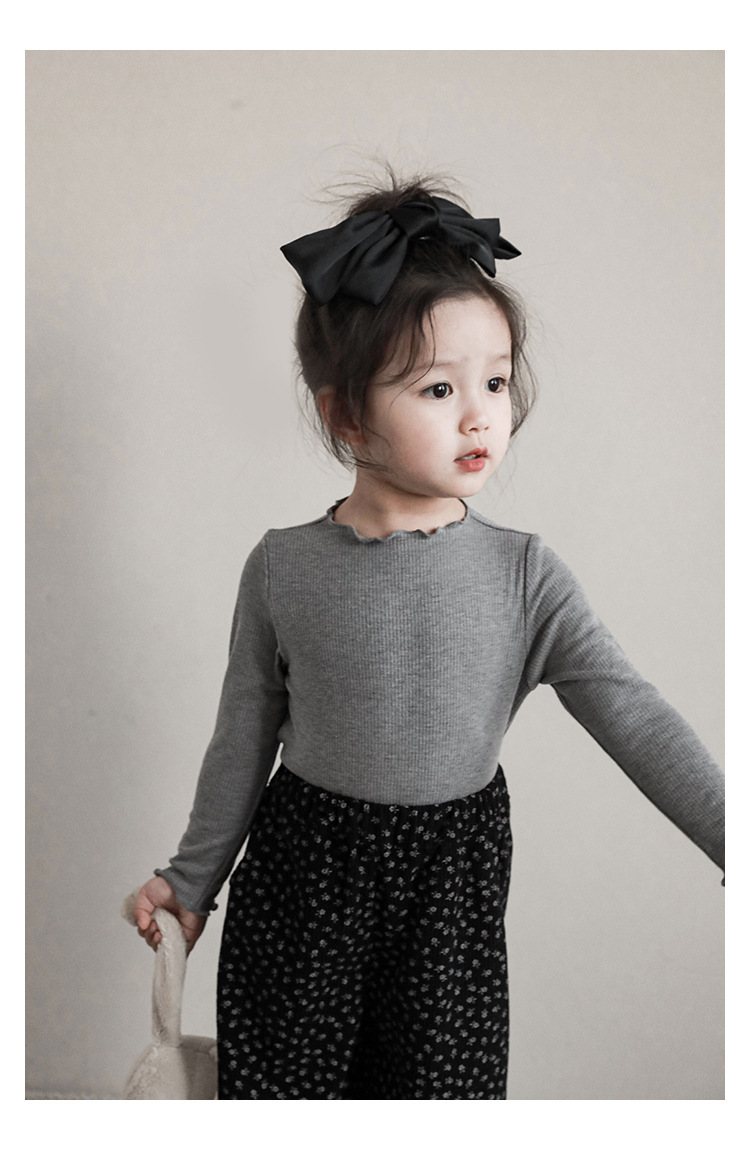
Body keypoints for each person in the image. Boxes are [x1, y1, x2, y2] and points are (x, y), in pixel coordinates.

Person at [131, 172, 724, 1101]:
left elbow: (635, 715)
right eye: (439, 388)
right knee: (286, 1096)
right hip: (304, 885)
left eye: (496, 381)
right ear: (345, 413)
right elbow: (242, 735)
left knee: (438, 1101)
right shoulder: (284, 567)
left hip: (449, 894)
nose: (481, 413)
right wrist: (190, 880)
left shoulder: (524, 575)